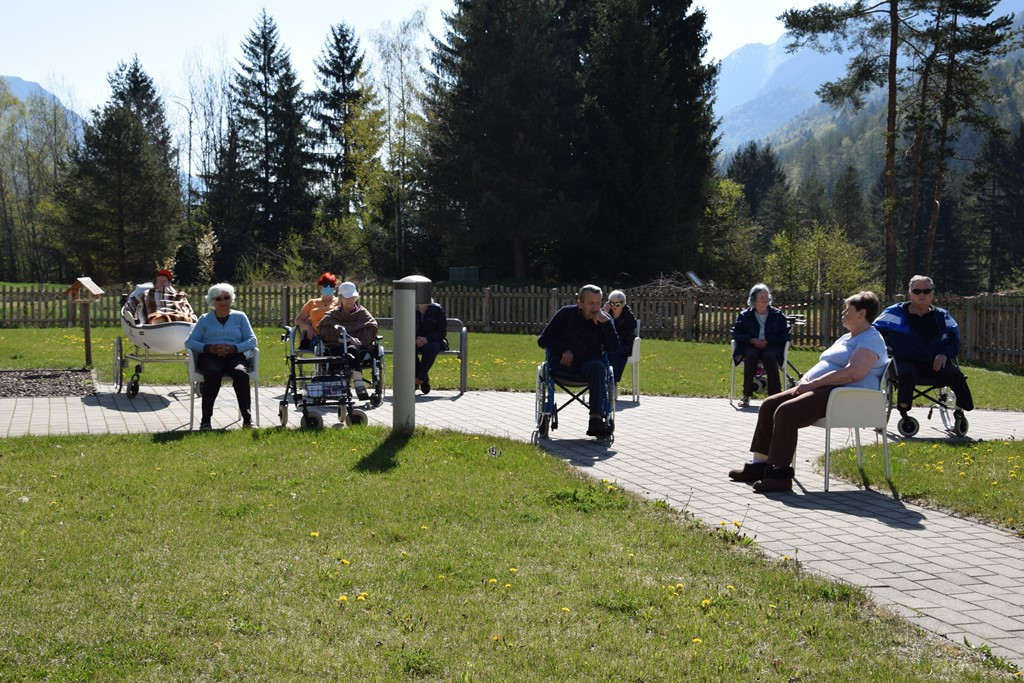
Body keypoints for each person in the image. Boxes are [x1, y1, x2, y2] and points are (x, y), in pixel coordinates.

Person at [728, 291, 888, 493]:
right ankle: (759, 465)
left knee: (786, 412)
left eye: (848, 309)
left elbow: (854, 373)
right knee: (769, 405)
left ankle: (779, 475)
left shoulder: (871, 339)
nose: (843, 312)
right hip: (826, 390)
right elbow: (829, 365)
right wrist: (806, 381)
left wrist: (813, 384)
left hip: (845, 396)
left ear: (861, 314)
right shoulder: (847, 337)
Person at [872, 275, 974, 415]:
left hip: (935, 361)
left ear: (932, 293)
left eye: (926, 291)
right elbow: (874, 333)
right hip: (906, 360)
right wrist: (886, 346)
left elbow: (955, 341)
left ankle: (962, 408)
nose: (922, 295)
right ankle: (904, 409)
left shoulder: (943, 317)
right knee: (907, 373)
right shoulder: (894, 313)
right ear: (910, 293)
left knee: (955, 374)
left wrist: (945, 353)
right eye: (917, 291)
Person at [537, 284, 620, 438]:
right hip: (563, 365)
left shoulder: (604, 319)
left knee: (598, 367)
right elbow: (543, 340)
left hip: (589, 365)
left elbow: (614, 348)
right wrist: (564, 349)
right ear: (580, 303)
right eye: (591, 303)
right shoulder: (565, 314)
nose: (596, 308)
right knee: (594, 367)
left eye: (598, 303)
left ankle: (595, 420)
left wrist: (607, 324)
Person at [184, 283, 258, 431]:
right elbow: (190, 342)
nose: (224, 302)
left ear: (232, 300)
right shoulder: (204, 319)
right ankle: (206, 420)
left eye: (227, 298)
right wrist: (209, 348)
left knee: (240, 373)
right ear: (212, 301)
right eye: (219, 299)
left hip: (235, 356)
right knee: (212, 373)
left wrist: (234, 348)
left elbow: (252, 341)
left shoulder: (240, 317)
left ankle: (247, 419)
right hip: (210, 357)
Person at [731, 283, 791, 407]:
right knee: (751, 355)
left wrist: (769, 341)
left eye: (766, 296)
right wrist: (752, 340)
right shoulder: (745, 315)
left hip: (771, 345)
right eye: (761, 296)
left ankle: (775, 397)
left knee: (769, 355)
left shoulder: (777, 315)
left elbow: (786, 334)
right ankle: (746, 395)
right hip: (751, 345)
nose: (765, 298)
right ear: (754, 299)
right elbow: (736, 333)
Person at [318, 281, 378, 400]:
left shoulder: (362, 313)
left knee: (352, 350)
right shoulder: (333, 314)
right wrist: (338, 338)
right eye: (347, 297)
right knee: (337, 351)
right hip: (337, 345)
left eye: (353, 297)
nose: (350, 300)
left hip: (357, 346)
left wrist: (360, 340)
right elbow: (323, 330)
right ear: (340, 298)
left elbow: (372, 328)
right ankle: (352, 385)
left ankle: (355, 384)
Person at [293, 272, 340, 350]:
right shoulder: (312, 303)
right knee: (320, 347)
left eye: (331, 285)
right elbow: (298, 320)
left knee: (333, 348)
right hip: (317, 337)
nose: (328, 287)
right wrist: (308, 327)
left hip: (334, 336)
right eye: (325, 285)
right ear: (320, 287)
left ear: (334, 288)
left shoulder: (340, 302)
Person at [603, 290, 637, 383]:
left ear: (623, 304)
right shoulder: (604, 314)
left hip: (622, 345)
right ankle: (597, 380)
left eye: (617, 304)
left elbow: (626, 338)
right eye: (611, 303)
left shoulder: (629, 318)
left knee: (614, 352)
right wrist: (604, 312)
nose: (614, 307)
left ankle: (611, 381)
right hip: (606, 344)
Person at [415, 299, 448, 395]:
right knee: (408, 350)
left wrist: (426, 339)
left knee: (431, 348)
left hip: (434, 340)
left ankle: (419, 379)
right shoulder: (409, 309)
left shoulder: (437, 310)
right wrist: (415, 339)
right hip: (415, 340)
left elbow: (442, 331)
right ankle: (423, 379)